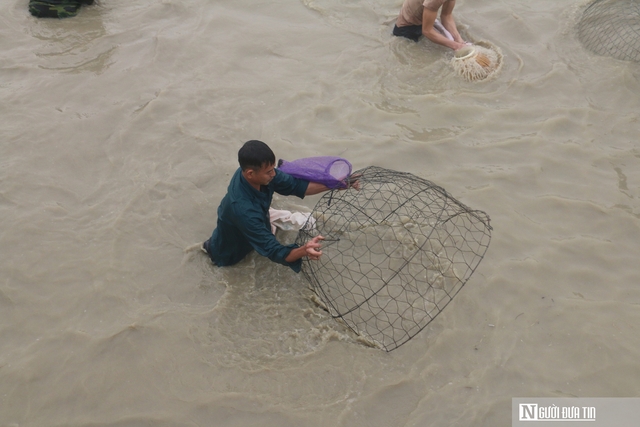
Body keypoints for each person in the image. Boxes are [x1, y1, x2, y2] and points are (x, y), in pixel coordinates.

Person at [203, 140, 345, 272]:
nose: (274, 174)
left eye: (273, 169)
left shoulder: (255, 174)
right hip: (229, 254)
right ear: (250, 174)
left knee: (306, 221)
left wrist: (337, 183)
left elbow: (296, 186)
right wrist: (304, 250)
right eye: (269, 172)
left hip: (253, 216)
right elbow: (274, 251)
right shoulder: (244, 211)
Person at [392, 0, 467, 50]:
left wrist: (459, 40)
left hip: (421, 20)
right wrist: (457, 46)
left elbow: (446, 16)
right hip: (405, 29)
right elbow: (427, 31)